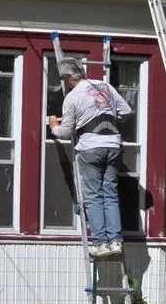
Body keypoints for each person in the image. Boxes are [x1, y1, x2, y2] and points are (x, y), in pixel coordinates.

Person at [48, 57, 132, 258]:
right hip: (113, 144)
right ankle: (115, 242)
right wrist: (109, 119)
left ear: (69, 77)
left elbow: (65, 132)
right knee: (110, 195)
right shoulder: (105, 86)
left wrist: (53, 125)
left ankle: (101, 243)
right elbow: (127, 111)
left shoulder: (73, 97)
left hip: (90, 147)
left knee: (94, 196)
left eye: (64, 79)